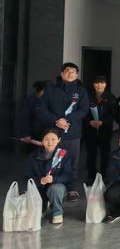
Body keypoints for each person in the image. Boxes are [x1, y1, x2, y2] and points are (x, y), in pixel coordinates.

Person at [38, 62, 89, 201]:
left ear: (77, 74)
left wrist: (67, 120)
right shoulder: (50, 89)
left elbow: (83, 109)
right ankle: (50, 186)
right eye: (67, 71)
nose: (70, 73)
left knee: (72, 162)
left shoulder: (81, 91)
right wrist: (56, 120)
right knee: (51, 159)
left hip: (73, 133)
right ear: (62, 73)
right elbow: (42, 109)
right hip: (53, 133)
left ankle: (71, 189)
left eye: (73, 71)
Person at [25, 129, 75, 224]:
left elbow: (69, 175)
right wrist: (40, 180)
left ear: (59, 140)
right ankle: (43, 206)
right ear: (42, 140)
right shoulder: (33, 156)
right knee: (34, 200)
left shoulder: (64, 155)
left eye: (53, 139)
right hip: (40, 186)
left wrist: (54, 179)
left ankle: (57, 212)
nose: (50, 142)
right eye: (46, 139)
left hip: (57, 186)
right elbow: (27, 176)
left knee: (56, 189)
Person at [83, 75, 115, 184]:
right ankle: (91, 176)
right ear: (93, 84)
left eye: (102, 83)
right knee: (91, 154)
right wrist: (89, 122)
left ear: (105, 84)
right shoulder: (87, 96)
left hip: (105, 130)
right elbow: (83, 112)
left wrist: (103, 122)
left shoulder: (111, 97)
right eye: (97, 83)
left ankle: (104, 175)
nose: (99, 85)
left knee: (105, 153)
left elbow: (113, 114)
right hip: (90, 130)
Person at [17, 80, 49, 148]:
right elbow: (25, 118)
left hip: (47, 134)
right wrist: (26, 134)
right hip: (34, 135)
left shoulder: (47, 100)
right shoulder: (31, 101)